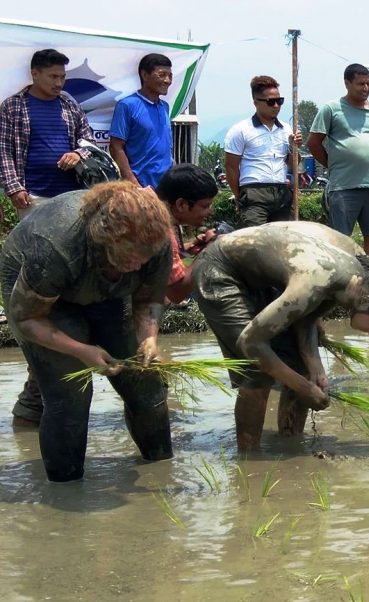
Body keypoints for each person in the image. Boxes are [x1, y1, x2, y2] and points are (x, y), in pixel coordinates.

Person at [191, 222, 369, 449]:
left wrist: (315, 370)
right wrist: (303, 388)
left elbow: (305, 319)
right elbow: (250, 341)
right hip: (221, 271)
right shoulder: (317, 281)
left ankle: (289, 446)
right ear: (367, 301)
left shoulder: (354, 283)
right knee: (256, 374)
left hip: (261, 276)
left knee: (298, 364)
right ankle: (249, 461)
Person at [0, 182, 175, 481]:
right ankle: (65, 495)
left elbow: (148, 299)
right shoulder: (57, 246)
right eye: (132, 254)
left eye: (145, 257)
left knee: (146, 385)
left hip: (108, 293)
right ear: (105, 238)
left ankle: (161, 469)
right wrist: (82, 350)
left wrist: (149, 338)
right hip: (40, 302)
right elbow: (27, 318)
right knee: (71, 395)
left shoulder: (154, 245)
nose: (139, 263)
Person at [0, 48, 95, 219]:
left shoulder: (70, 105)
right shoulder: (12, 106)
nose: (59, 83)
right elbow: (4, 151)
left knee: (71, 245)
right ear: (35, 74)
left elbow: (89, 141)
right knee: (33, 245)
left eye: (62, 77)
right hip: (33, 197)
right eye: (53, 77)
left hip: (73, 196)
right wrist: (14, 188)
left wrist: (77, 154)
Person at [309, 64, 369, 257]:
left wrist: (366, 159)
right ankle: (342, 278)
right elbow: (313, 143)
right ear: (347, 83)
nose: (365, 88)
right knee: (340, 237)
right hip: (343, 186)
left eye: (368, 84)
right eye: (360, 84)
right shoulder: (331, 109)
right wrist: (333, 164)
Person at [224, 75, 301, 228]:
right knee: (255, 242)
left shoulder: (286, 129)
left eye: (279, 101)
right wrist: (240, 196)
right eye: (270, 102)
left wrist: (294, 147)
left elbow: (293, 164)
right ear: (256, 102)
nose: (276, 106)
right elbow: (231, 167)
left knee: (281, 241)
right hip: (254, 192)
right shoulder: (241, 130)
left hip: (281, 191)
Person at [157, 164, 221, 303]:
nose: (210, 212)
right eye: (205, 206)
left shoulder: (150, 204)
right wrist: (210, 250)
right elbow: (177, 293)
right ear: (181, 205)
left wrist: (189, 247)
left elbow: (159, 258)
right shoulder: (159, 227)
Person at [109, 54, 173, 188]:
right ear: (144, 75)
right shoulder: (127, 105)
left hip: (166, 187)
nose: (167, 80)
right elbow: (116, 147)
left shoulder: (165, 107)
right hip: (140, 188)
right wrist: (133, 183)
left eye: (170, 75)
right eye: (162, 75)